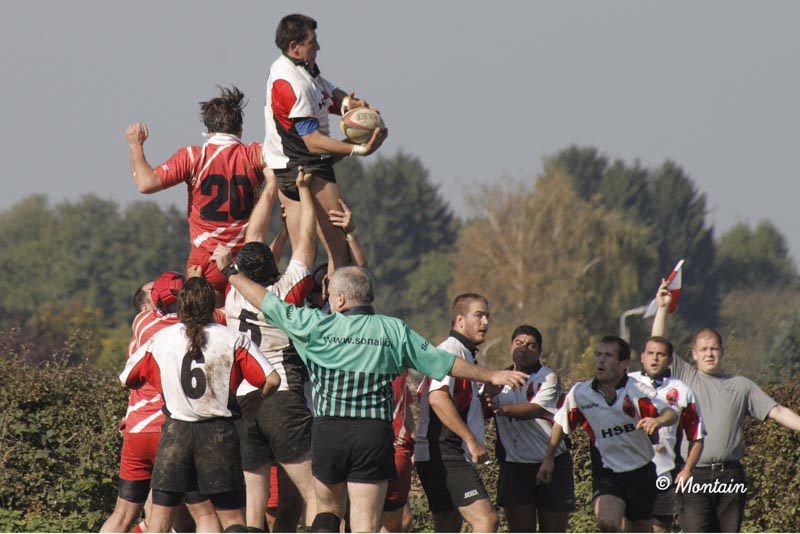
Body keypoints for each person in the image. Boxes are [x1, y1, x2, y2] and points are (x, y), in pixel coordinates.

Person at [209, 251, 528, 533]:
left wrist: (230, 272)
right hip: (372, 433)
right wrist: (491, 374)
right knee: (364, 523)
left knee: (327, 512)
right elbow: (443, 362)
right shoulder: (393, 330)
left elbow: (267, 302)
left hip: (329, 431)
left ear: (340, 300)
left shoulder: (315, 325)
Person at [120, 277, 281, 533]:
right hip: (218, 434)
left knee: (159, 523)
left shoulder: (161, 339)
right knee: (232, 521)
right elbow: (272, 379)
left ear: (181, 306)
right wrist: (257, 399)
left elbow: (127, 378)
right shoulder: (233, 339)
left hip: (175, 434)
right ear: (212, 306)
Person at [651, 280, 800, 532]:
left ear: (722, 352)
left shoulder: (741, 385)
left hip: (730, 476)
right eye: (703, 349)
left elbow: (777, 411)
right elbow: (658, 345)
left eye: (714, 349)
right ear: (694, 353)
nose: (709, 354)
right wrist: (663, 308)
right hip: (694, 474)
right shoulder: (685, 378)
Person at [224, 168, 318, 531]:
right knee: (315, 493)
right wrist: (304, 192)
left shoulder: (233, 291)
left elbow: (253, 237)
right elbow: (307, 239)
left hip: (244, 399)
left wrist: (270, 183)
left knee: (254, 502)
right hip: (281, 395)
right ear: (270, 269)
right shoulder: (287, 293)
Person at [264, 13, 386, 277]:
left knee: (302, 256)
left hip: (288, 168)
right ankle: (338, 302)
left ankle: (307, 302)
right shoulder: (293, 84)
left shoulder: (300, 66)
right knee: (340, 252)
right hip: (308, 168)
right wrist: (358, 148)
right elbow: (313, 142)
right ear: (294, 46)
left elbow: (325, 92)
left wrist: (350, 106)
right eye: (312, 42)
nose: (318, 47)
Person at [102, 272, 218, 533]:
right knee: (204, 515)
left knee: (123, 515)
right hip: (174, 428)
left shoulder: (142, 323)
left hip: (137, 429)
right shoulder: (204, 328)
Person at [125, 86, 266, 295]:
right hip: (246, 259)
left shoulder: (192, 157)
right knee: (247, 314)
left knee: (200, 313)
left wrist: (135, 145)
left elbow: (146, 183)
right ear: (240, 131)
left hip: (205, 261)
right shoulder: (255, 154)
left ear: (207, 131)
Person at [537, 336, 678, 533]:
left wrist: (658, 421)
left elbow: (671, 413)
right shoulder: (581, 393)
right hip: (607, 472)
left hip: (640, 471)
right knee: (608, 522)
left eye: (608, 356)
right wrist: (549, 458)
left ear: (623, 364)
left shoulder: (637, 391)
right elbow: (560, 423)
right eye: (598, 354)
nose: (601, 360)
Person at [414, 293, 498, 533]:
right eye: (479, 316)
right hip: (445, 451)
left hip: (438, 452)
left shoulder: (466, 353)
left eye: (487, 316)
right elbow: (437, 398)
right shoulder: (451, 349)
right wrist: (470, 440)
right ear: (460, 320)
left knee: (448, 524)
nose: (485, 322)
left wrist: (486, 399)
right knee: (486, 519)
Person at [482, 325, 575, 533]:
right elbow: (481, 412)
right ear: (510, 347)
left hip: (551, 462)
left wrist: (502, 410)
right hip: (515, 467)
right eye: (519, 343)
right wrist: (486, 393)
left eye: (531, 345)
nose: (523, 349)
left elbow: (535, 409)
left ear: (539, 351)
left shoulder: (547, 377)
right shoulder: (498, 379)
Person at [628, 335, 705, 532]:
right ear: (642, 357)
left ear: (670, 360)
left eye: (660, 354)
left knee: (660, 529)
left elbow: (697, 437)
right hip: (628, 472)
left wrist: (687, 470)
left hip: (664, 473)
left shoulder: (682, 391)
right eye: (650, 353)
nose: (654, 359)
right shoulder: (628, 383)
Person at [380, 371, 416, 533]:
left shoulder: (399, 370)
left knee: (403, 520)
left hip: (397, 450)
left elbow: (405, 407)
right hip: (374, 447)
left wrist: (414, 444)